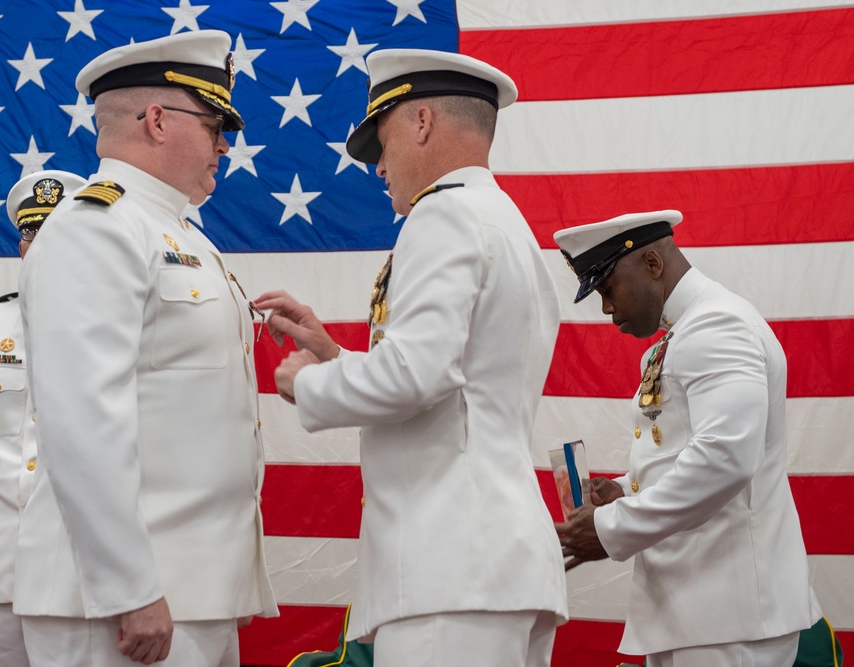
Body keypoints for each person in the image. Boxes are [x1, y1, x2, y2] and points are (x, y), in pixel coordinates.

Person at [254, 48, 567, 667]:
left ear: (422, 122)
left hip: (450, 567)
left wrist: (307, 382)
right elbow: (456, 382)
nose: (379, 169)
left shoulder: (443, 215)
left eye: (383, 141)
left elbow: (417, 376)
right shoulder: (504, 221)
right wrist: (334, 350)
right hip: (493, 565)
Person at [13, 31, 277, 667]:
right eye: (215, 123)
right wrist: (129, 588)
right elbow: (82, 421)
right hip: (121, 603)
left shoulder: (176, 230)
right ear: (157, 120)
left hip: (190, 590)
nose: (224, 144)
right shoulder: (95, 226)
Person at [552, 210, 821, 666]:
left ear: (652, 264)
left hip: (729, 619)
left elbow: (725, 458)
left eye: (607, 288)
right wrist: (626, 490)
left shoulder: (718, 326)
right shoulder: (687, 332)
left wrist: (611, 529)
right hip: (701, 614)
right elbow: (690, 452)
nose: (607, 308)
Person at [0, 169, 86, 666]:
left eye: (54, 233)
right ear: (20, 245)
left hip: (78, 567)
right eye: (30, 233)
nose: (39, 244)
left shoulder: (117, 326)